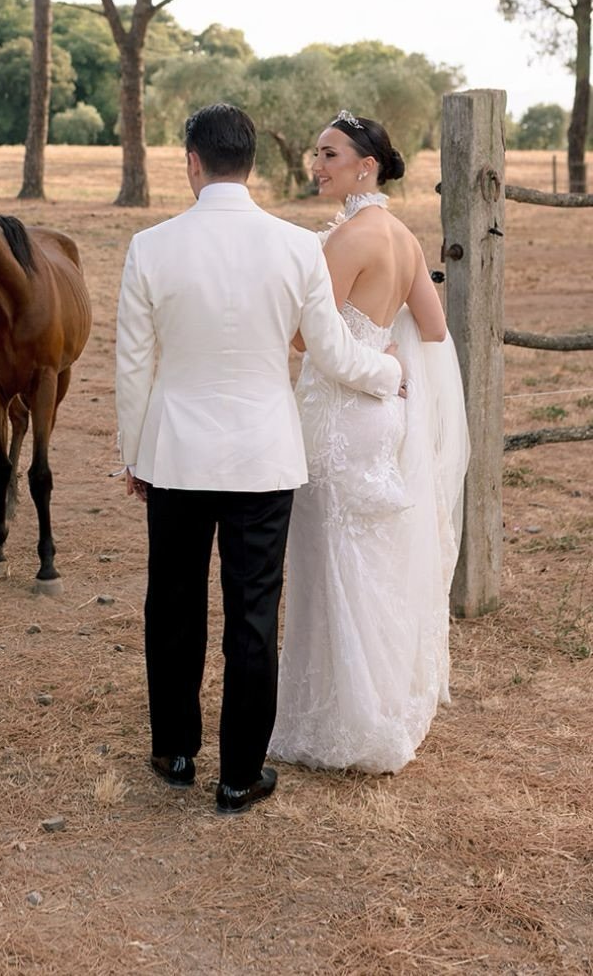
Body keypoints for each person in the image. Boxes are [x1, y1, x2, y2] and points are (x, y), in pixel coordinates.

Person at [114, 104, 406, 816]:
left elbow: (132, 366)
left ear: (192, 162)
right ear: (248, 163)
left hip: (177, 454)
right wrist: (388, 375)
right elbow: (333, 352)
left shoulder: (151, 247)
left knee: (174, 603)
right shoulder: (297, 246)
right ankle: (240, 774)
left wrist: (134, 454)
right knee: (253, 614)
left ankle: (175, 750)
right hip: (265, 456)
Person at [268, 111, 469, 775]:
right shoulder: (405, 237)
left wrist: (355, 345)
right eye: (315, 153)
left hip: (337, 412)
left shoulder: (348, 238)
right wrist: (387, 348)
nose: (316, 165)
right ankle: (380, 704)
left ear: (366, 166)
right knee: (370, 557)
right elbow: (434, 328)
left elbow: (305, 339)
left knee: (331, 559)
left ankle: (341, 719)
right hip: (384, 415)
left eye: (329, 154)